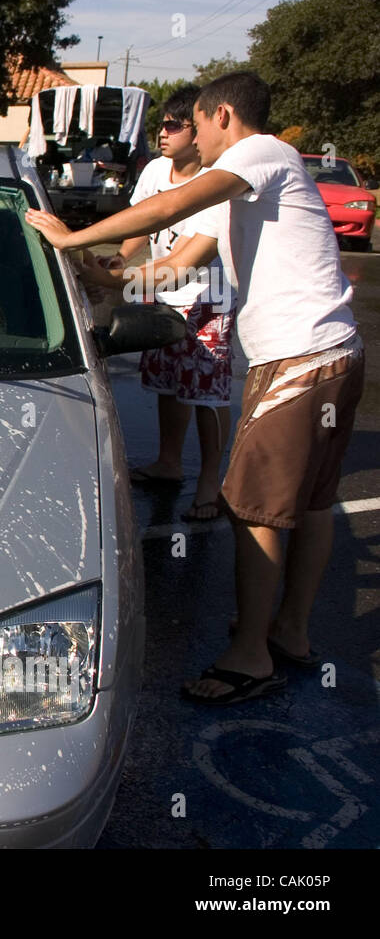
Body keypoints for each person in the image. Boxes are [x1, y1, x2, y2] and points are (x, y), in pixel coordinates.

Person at [26, 72, 362, 705]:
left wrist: (72, 237)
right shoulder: (256, 186)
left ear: (224, 116)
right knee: (314, 503)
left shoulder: (257, 155)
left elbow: (166, 210)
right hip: (332, 353)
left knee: (249, 505)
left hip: (298, 360)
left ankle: (249, 656)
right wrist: (103, 277)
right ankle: (287, 631)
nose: (195, 141)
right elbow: (176, 266)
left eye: (199, 126)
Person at [100, 85, 234, 522]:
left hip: (206, 299)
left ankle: (212, 482)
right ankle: (169, 461)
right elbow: (146, 217)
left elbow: (190, 257)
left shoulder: (216, 180)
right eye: (161, 123)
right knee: (170, 382)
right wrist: (121, 255)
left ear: (198, 132)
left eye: (174, 125)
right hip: (164, 292)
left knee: (207, 394)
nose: (163, 132)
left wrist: (110, 277)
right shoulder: (157, 168)